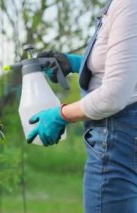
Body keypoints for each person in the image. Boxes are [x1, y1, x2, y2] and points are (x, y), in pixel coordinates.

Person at [27, 0, 137, 212]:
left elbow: (113, 96)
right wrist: (77, 63)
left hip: (115, 140)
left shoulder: (128, 4)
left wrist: (61, 114)